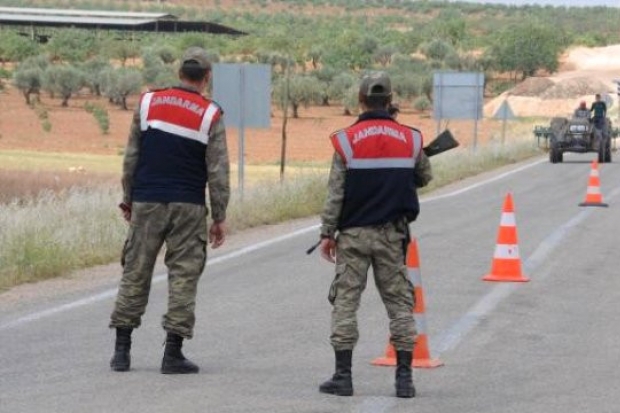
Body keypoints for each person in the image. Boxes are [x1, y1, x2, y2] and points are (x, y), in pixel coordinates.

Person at [109, 47, 230, 374]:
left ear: (179, 74)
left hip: (147, 200)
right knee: (184, 275)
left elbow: (131, 156)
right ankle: (172, 353)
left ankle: (122, 352)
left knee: (135, 270)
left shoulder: (148, 103)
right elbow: (217, 171)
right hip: (188, 206)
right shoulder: (210, 114)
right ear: (206, 78)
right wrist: (219, 216)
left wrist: (128, 197)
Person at [318, 71, 432, 398]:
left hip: (353, 236)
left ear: (361, 99)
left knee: (345, 303)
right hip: (391, 237)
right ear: (390, 99)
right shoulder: (409, 138)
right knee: (399, 304)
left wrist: (327, 232)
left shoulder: (346, 140)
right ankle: (404, 380)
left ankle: (343, 377)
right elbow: (424, 175)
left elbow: (335, 193)